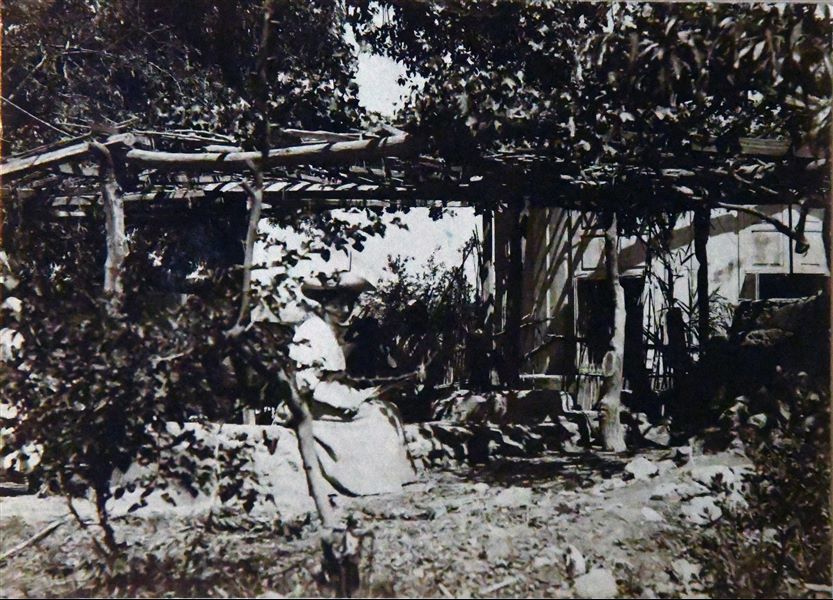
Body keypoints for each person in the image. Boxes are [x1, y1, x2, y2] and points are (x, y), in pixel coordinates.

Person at [282, 271, 416, 496]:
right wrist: (346, 401)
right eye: (339, 304)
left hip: (329, 398)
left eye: (349, 304)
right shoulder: (311, 330)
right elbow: (306, 382)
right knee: (375, 417)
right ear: (324, 303)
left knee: (387, 410)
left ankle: (393, 476)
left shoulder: (329, 332)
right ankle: (367, 482)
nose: (345, 310)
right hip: (313, 405)